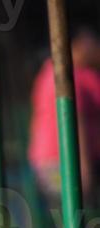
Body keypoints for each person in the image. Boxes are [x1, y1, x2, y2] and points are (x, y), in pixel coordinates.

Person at [28, 27, 100, 203]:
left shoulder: (52, 71)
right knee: (75, 212)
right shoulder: (67, 75)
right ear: (75, 46)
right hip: (64, 162)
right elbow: (75, 120)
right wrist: (82, 168)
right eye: (91, 44)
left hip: (49, 163)